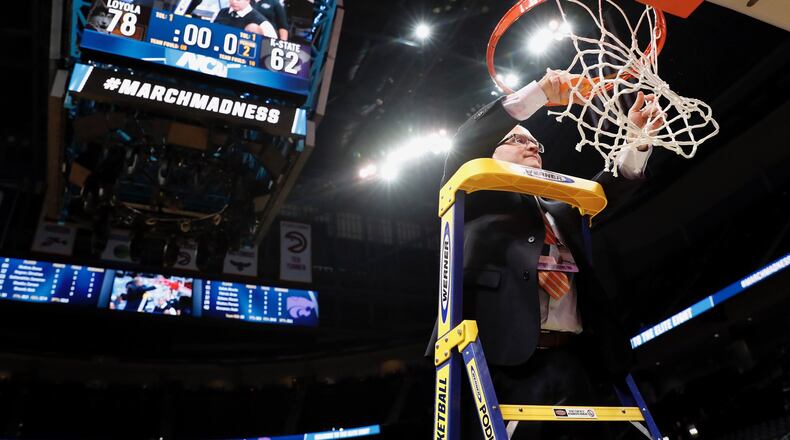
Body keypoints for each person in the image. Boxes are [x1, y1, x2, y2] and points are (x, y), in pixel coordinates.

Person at [426, 69, 663, 440]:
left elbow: (609, 188)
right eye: (518, 139)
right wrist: (535, 96)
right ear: (490, 150)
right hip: (502, 358)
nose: (533, 145)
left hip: (576, 357)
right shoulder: (472, 194)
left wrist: (638, 140)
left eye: (537, 143)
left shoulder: (563, 207)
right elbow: (467, 141)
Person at [212, 0, 277, 38]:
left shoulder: (262, 23)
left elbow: (270, 48)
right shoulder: (220, 12)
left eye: (238, 0)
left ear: (248, 0)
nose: (234, 2)